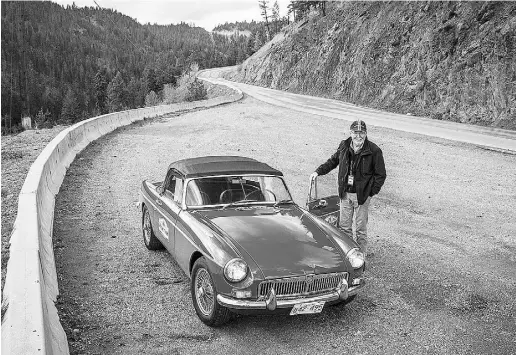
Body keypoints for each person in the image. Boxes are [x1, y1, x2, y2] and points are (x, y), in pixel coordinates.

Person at [310, 120, 386, 255]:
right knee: (345, 228)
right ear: (350, 133)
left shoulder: (374, 151)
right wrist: (318, 171)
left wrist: (370, 193)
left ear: (366, 134)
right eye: (355, 133)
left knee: (361, 229)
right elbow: (333, 161)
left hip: (362, 197)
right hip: (345, 194)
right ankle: (349, 257)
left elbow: (381, 175)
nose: (358, 136)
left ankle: (360, 259)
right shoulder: (344, 146)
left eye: (361, 133)